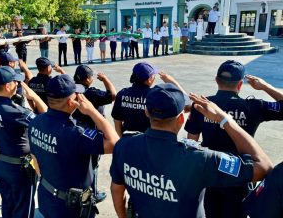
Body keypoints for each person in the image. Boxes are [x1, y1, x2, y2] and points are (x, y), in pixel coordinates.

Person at [110, 84, 273, 218]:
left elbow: (117, 189)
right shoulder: (199, 159)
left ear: (146, 113)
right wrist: (225, 120)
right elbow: (263, 167)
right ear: (181, 119)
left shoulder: (124, 145)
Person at [185, 60, 283, 218]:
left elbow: (191, 143)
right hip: (243, 175)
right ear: (240, 84)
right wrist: (264, 86)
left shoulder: (202, 106)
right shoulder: (253, 106)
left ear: (217, 80)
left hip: (212, 174)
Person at [28, 74, 119, 218]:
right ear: (72, 102)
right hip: (71, 207)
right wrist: (91, 111)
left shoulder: (35, 121)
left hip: (48, 195)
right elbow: (114, 143)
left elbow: (35, 160)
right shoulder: (75, 132)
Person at [0, 66, 47, 218]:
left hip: (1, 163)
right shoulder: (16, 111)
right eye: (15, 82)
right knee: (23, 207)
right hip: (19, 168)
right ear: (7, 86)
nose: (18, 85)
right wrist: (35, 97)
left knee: (8, 203)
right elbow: (46, 119)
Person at [72, 65, 117, 203]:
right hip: (91, 133)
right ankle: (92, 193)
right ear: (87, 79)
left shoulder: (71, 89)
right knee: (93, 166)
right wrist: (105, 79)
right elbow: (113, 95)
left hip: (74, 130)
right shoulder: (92, 93)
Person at [111, 62, 185, 137]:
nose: (154, 78)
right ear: (149, 79)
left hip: (127, 139)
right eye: (153, 76)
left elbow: (117, 120)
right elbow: (184, 101)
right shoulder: (154, 95)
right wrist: (171, 81)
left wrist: (120, 140)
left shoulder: (122, 93)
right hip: (149, 140)